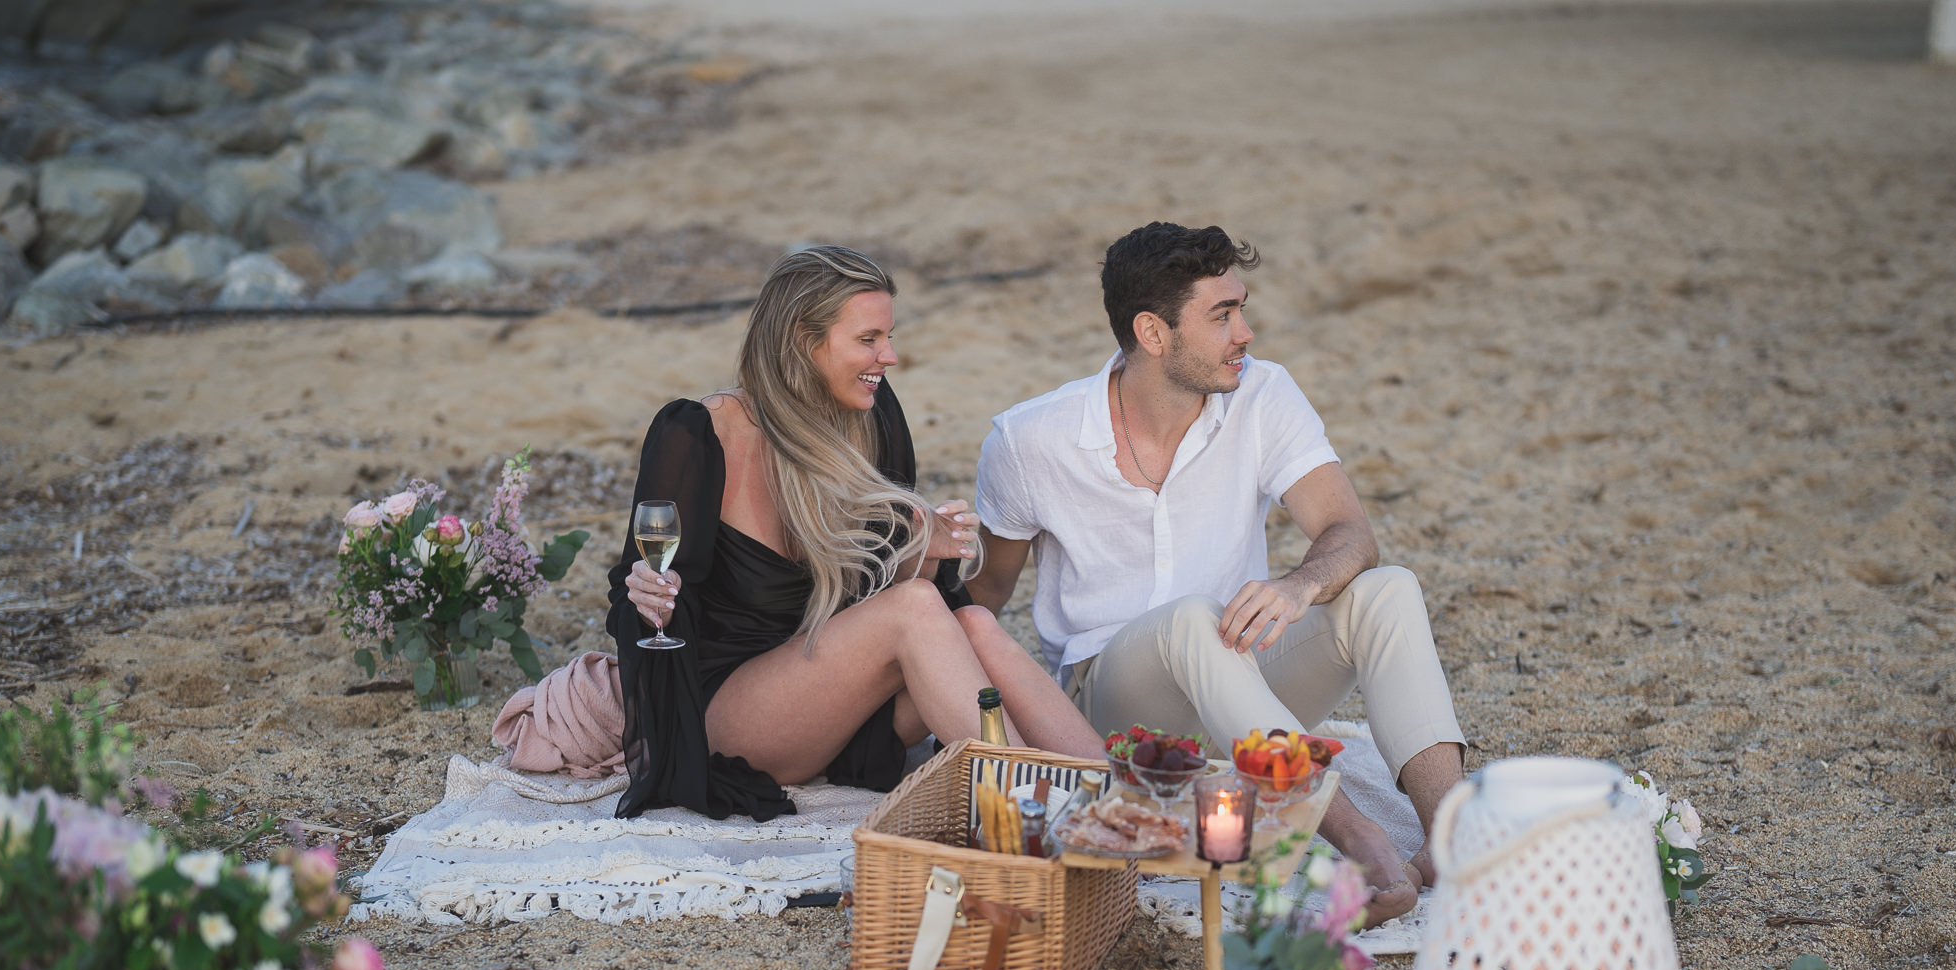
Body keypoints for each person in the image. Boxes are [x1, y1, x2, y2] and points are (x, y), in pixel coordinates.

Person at [969, 222, 1468, 924]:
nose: (1247, 332)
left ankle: (1448, 832)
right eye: (1223, 315)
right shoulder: (1029, 440)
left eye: (1242, 308)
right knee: (1192, 619)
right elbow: (985, 594)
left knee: (1388, 590)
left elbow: (1350, 532)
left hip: (1245, 682)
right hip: (1118, 711)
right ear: (1153, 333)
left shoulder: (1263, 394)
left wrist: (1299, 584)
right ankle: (1359, 839)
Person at [606, 245, 1103, 821]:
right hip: (738, 714)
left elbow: (876, 597)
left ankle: (1114, 795)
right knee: (915, 610)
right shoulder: (699, 434)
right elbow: (638, 592)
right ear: (801, 340)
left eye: (888, 337)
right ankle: (1033, 815)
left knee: (974, 622)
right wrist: (644, 594)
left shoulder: (871, 414)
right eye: (868, 339)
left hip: (848, 705)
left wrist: (924, 548)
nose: (889, 356)